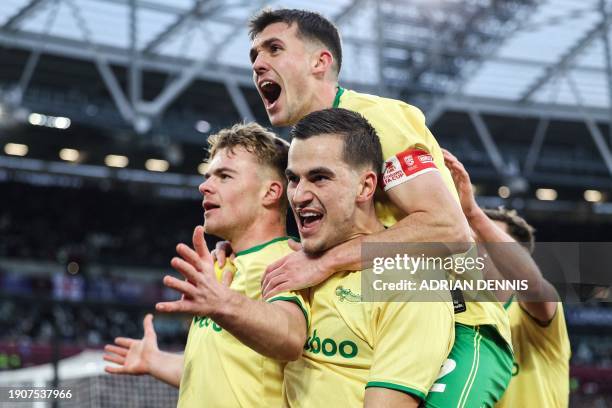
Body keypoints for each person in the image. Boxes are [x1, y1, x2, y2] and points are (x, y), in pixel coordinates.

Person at [215, 8, 513, 406]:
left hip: (462, 323)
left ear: (320, 62)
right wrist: (240, 243)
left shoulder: (378, 119)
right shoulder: (315, 147)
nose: (258, 64)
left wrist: (323, 262)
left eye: (274, 49)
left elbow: (449, 230)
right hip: (377, 316)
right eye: (253, 56)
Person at [103, 123, 308, 407]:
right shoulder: (220, 266)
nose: (204, 186)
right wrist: (155, 361)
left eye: (224, 176)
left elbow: (290, 339)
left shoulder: (289, 261)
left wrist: (222, 304)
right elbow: (223, 373)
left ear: (271, 192)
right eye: (208, 176)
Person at [282, 108, 455, 407]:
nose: (299, 195)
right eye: (293, 179)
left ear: (365, 186)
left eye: (319, 178)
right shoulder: (293, 263)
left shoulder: (410, 284)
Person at [443, 149, 571, 408]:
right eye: (473, 238)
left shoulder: (535, 315)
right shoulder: (452, 313)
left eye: (487, 240)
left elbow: (531, 283)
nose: (475, 244)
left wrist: (474, 215)